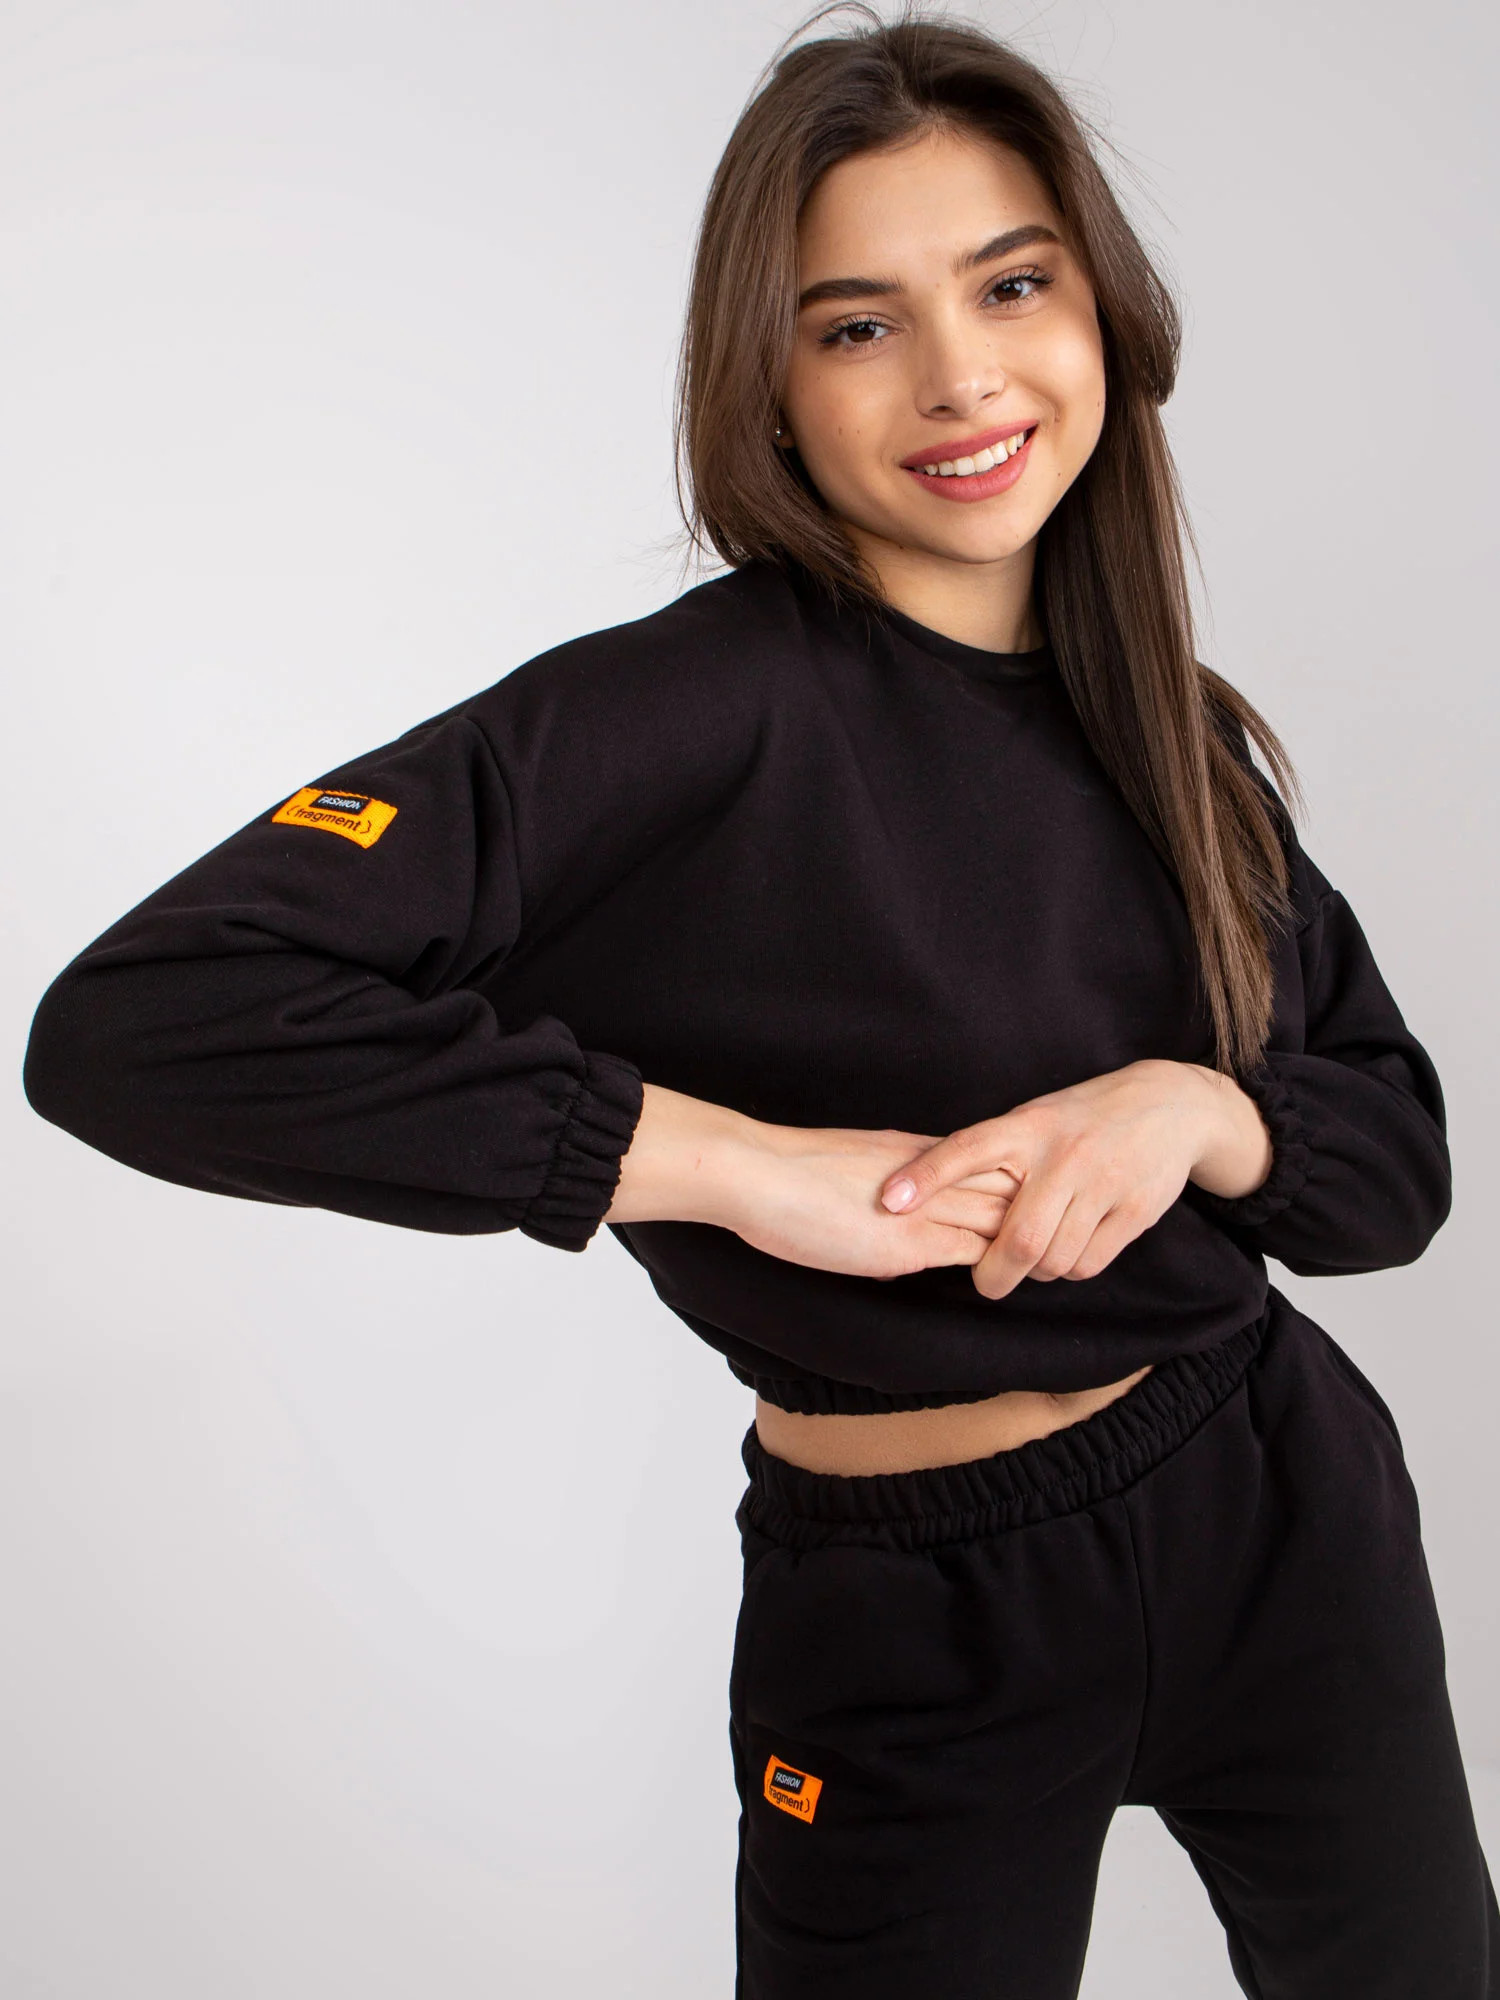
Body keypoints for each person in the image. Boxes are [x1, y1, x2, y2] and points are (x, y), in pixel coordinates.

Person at [22, 6, 1497, 1995]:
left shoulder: (1169, 723)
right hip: (906, 1623)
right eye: (858, 323)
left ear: (1101, 311)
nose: (961, 373)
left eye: (1013, 283)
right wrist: (725, 1166)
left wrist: (1202, 1112)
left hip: (1281, 1508)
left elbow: (1392, 1165)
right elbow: (142, 1020)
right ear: (771, 387)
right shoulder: (676, 717)